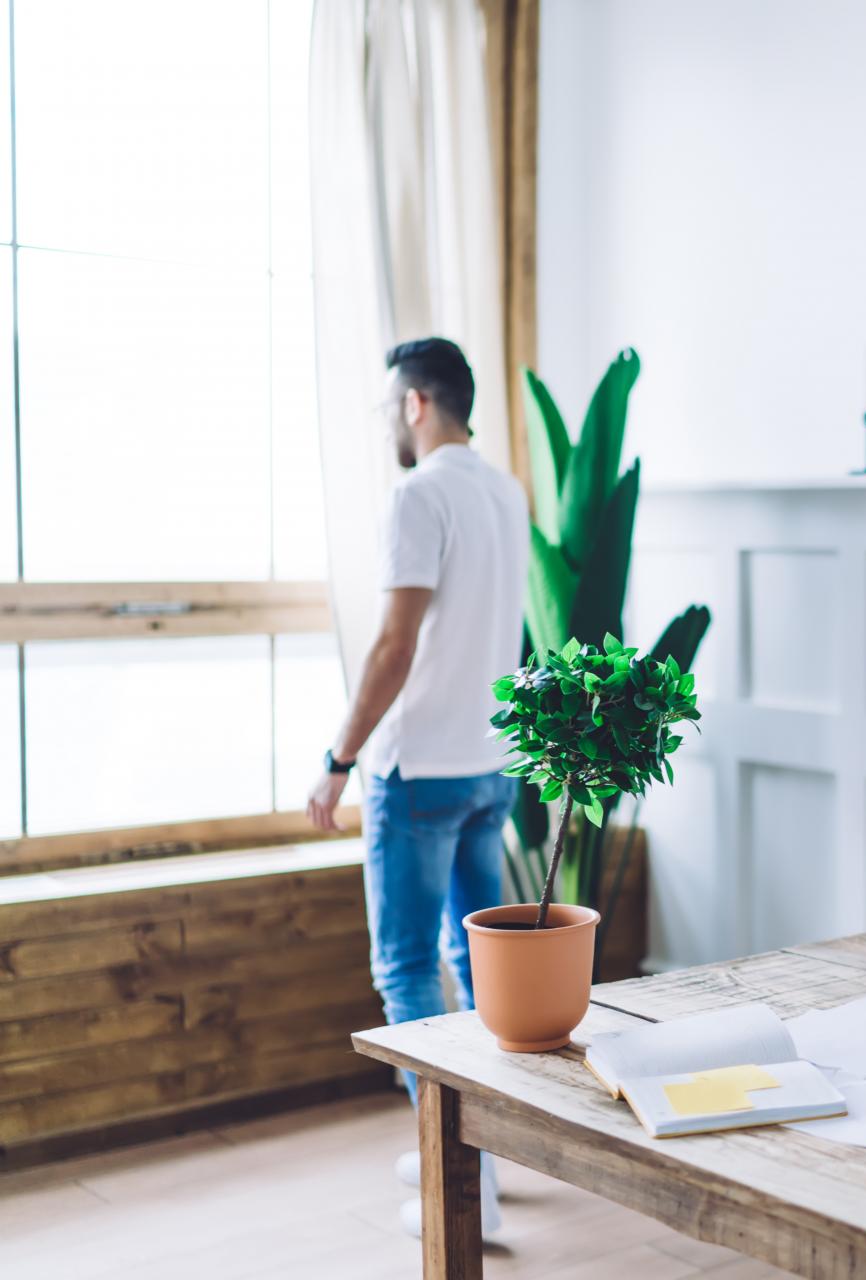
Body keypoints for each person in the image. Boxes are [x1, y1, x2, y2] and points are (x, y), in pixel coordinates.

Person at [306, 337, 529, 1235]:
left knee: (405, 967)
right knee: (484, 974)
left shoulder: (419, 492)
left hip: (421, 770)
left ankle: (460, 1178)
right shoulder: (504, 492)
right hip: (490, 764)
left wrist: (338, 757)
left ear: (416, 404)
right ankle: (493, 1157)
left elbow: (395, 646)